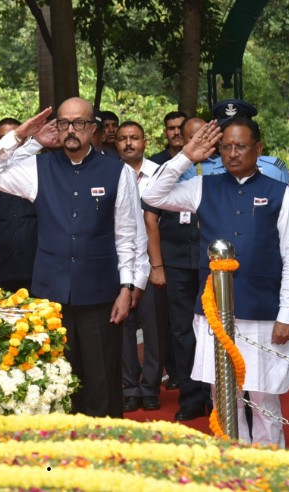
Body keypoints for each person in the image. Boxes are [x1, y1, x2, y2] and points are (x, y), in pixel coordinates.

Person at [0, 99, 144, 418]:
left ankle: (104, 451)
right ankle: (61, 455)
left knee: (102, 380)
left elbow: (127, 236)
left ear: (93, 128)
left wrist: (127, 287)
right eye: (64, 123)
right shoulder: (37, 168)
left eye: (79, 123)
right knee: (58, 380)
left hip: (101, 295)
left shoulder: (117, 171)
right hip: (51, 296)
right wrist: (27, 138)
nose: (71, 130)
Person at [143, 118, 289, 447]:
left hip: (263, 314)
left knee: (263, 399)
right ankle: (234, 462)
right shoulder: (205, 186)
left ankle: (269, 464)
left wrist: (288, 314)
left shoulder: (278, 194)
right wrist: (186, 156)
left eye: (241, 146)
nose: (232, 153)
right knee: (223, 396)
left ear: (258, 149)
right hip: (215, 315)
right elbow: (152, 193)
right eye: (226, 146)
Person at [142, 116, 212, 421]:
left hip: (214, 265)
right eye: (191, 137)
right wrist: (157, 265)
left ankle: (220, 395)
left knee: (216, 331)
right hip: (178, 262)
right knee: (183, 332)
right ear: (181, 140)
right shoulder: (166, 171)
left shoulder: (222, 169)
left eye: (203, 136)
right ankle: (191, 396)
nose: (198, 141)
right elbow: (151, 216)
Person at [115, 121, 167, 413]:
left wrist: (158, 266)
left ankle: (150, 387)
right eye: (122, 139)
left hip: (152, 263)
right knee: (123, 326)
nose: (128, 143)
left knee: (154, 329)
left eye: (134, 138)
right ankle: (130, 386)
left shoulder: (160, 174)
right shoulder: (110, 173)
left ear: (145, 142)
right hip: (121, 263)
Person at [0, 117, 37, 293]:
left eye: (18, 138)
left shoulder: (38, 173)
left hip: (35, 272)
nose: (11, 144)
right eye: (4, 139)